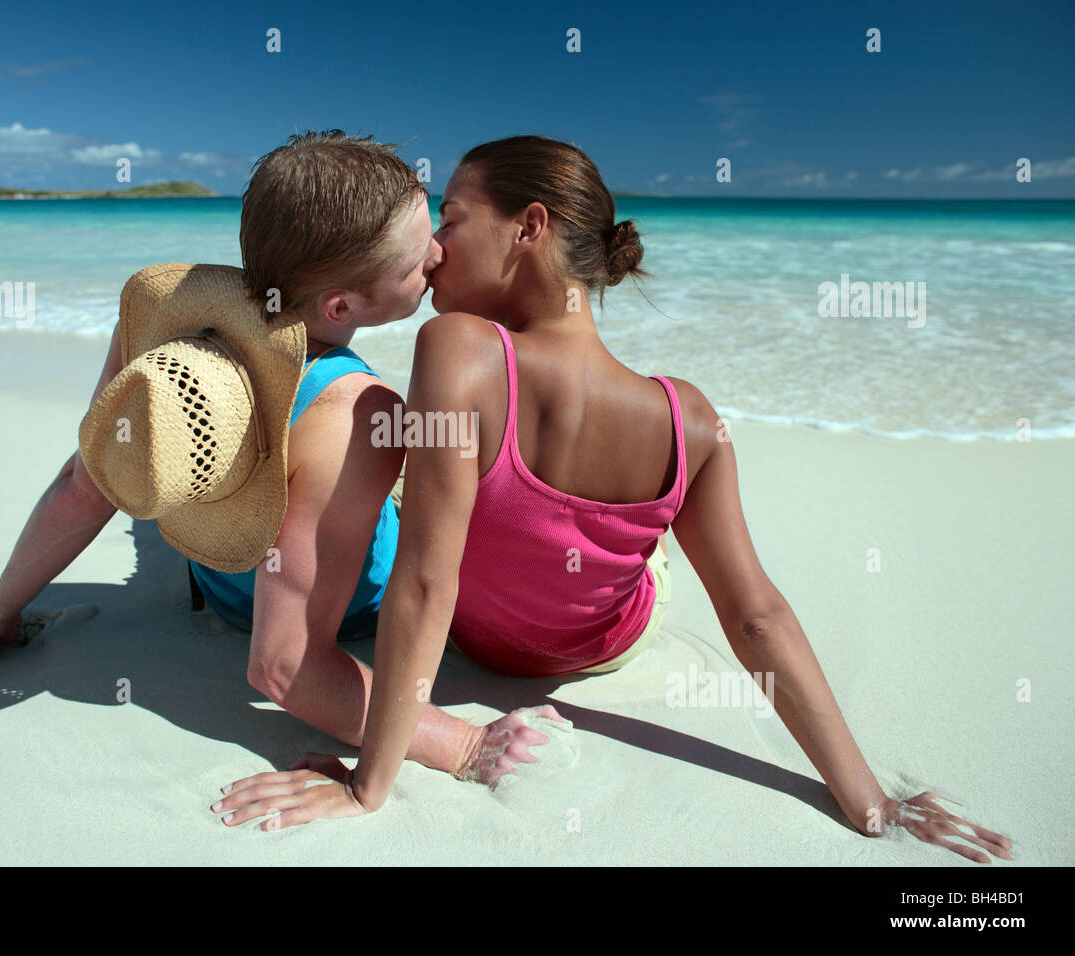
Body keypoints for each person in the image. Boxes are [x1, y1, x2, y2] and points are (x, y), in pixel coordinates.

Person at [211, 135, 1013, 864]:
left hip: (483, 634)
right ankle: (630, 539)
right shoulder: (691, 416)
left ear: (529, 226)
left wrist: (368, 786)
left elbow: (427, 583)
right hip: (612, 636)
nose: (433, 249)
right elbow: (755, 614)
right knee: (619, 540)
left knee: (425, 476)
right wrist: (866, 799)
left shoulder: (457, 350)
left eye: (450, 219)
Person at [0, 131, 548, 785]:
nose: (439, 256)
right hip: (355, 606)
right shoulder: (358, 415)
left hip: (223, 586)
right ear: (341, 307)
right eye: (418, 257)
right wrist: (465, 742)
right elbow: (284, 670)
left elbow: (87, 483)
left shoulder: (167, 336)